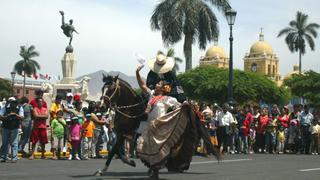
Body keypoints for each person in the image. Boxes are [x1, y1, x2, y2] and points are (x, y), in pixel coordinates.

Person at [136, 64, 181, 178]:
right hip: (149, 126)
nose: (156, 84)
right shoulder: (151, 95)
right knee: (144, 148)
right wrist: (137, 72)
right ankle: (153, 168)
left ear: (163, 88)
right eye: (157, 83)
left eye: (158, 84)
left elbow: (178, 107)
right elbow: (142, 85)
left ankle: (155, 172)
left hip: (160, 127)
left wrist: (185, 105)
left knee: (158, 150)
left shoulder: (168, 99)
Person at [0, 97, 24, 163]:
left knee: (14, 142)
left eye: (12, 101)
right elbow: (0, 116)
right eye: (10, 101)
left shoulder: (19, 107)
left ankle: (14, 157)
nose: (11, 103)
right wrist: (7, 116)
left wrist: (15, 115)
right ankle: (3, 157)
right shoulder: (5, 107)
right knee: (5, 142)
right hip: (6, 126)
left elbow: (22, 117)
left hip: (15, 127)